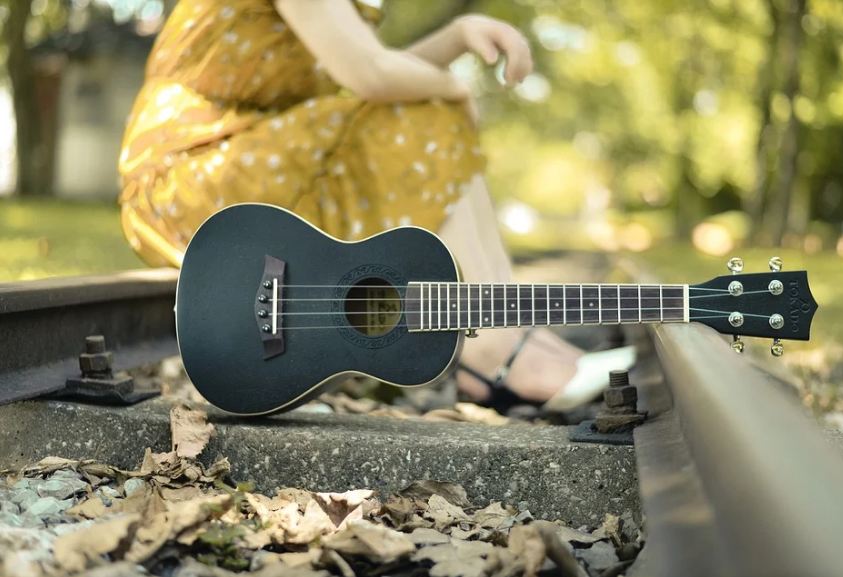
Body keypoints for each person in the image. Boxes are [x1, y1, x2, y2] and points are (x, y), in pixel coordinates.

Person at [118, 0, 633, 412]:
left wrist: (457, 36)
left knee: (425, 109)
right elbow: (371, 75)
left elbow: (372, 77)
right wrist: (454, 88)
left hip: (254, 156)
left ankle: (508, 327)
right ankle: (492, 348)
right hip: (187, 174)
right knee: (429, 110)